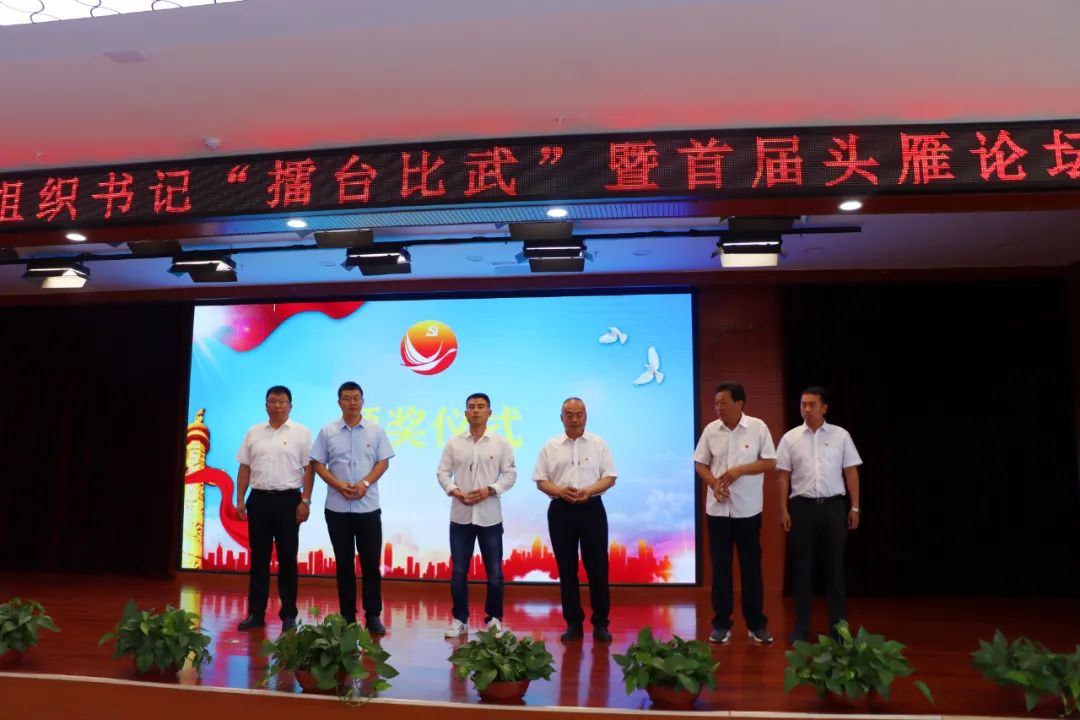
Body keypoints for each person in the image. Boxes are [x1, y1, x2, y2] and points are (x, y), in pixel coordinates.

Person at [775, 386, 862, 644]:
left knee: (835, 570)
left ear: (824, 408)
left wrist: (855, 507)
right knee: (802, 570)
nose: (807, 409)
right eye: (803, 404)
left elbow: (851, 472)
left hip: (833, 508)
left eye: (812, 404)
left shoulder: (840, 435)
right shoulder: (790, 438)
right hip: (801, 509)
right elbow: (783, 477)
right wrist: (783, 510)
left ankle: (839, 630)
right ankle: (801, 629)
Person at [694, 382, 777, 645]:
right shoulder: (711, 430)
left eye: (723, 402)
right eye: (716, 403)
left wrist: (741, 470)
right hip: (718, 510)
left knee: (751, 568)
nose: (718, 408)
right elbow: (700, 463)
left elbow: (770, 462)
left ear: (739, 404)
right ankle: (721, 624)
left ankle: (756, 625)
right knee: (720, 568)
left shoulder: (758, 427)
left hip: (748, 510)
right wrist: (713, 484)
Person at [311, 381, 394, 635]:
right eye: (347, 398)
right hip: (337, 509)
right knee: (344, 565)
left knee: (370, 564)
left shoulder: (375, 430)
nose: (352, 402)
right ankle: (347, 616)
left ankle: (373, 615)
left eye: (356, 398)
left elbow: (383, 462)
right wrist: (337, 485)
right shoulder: (327, 432)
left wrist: (365, 483)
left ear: (363, 401)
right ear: (339, 402)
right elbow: (318, 464)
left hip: (367, 508)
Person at [532, 397, 617, 642]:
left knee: (598, 568)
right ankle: (573, 624)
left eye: (579, 414)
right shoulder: (551, 446)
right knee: (567, 569)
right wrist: (560, 491)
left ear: (586, 417)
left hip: (592, 509)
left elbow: (610, 477)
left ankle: (600, 623)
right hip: (561, 509)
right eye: (569, 414)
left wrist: (589, 490)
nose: (574, 419)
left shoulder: (599, 444)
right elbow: (541, 480)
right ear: (562, 418)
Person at [436, 392, 518, 637]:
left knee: (495, 573)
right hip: (460, 516)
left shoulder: (500, 443)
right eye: (471, 407)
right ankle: (460, 619)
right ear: (465, 413)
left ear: (489, 413)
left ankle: (494, 619)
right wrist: (455, 491)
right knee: (459, 572)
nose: (476, 410)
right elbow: (442, 473)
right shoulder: (454, 443)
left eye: (481, 406)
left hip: (490, 516)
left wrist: (489, 490)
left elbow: (510, 474)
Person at [235, 385, 314, 633]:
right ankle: (256, 614)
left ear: (290, 406)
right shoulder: (254, 432)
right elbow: (245, 467)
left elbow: (309, 469)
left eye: (282, 401)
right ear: (266, 405)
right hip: (258, 500)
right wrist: (240, 499)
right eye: (272, 401)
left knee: (287, 559)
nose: (277, 405)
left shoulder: (302, 433)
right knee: (259, 559)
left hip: (288, 501)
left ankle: (288, 614)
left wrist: (305, 501)